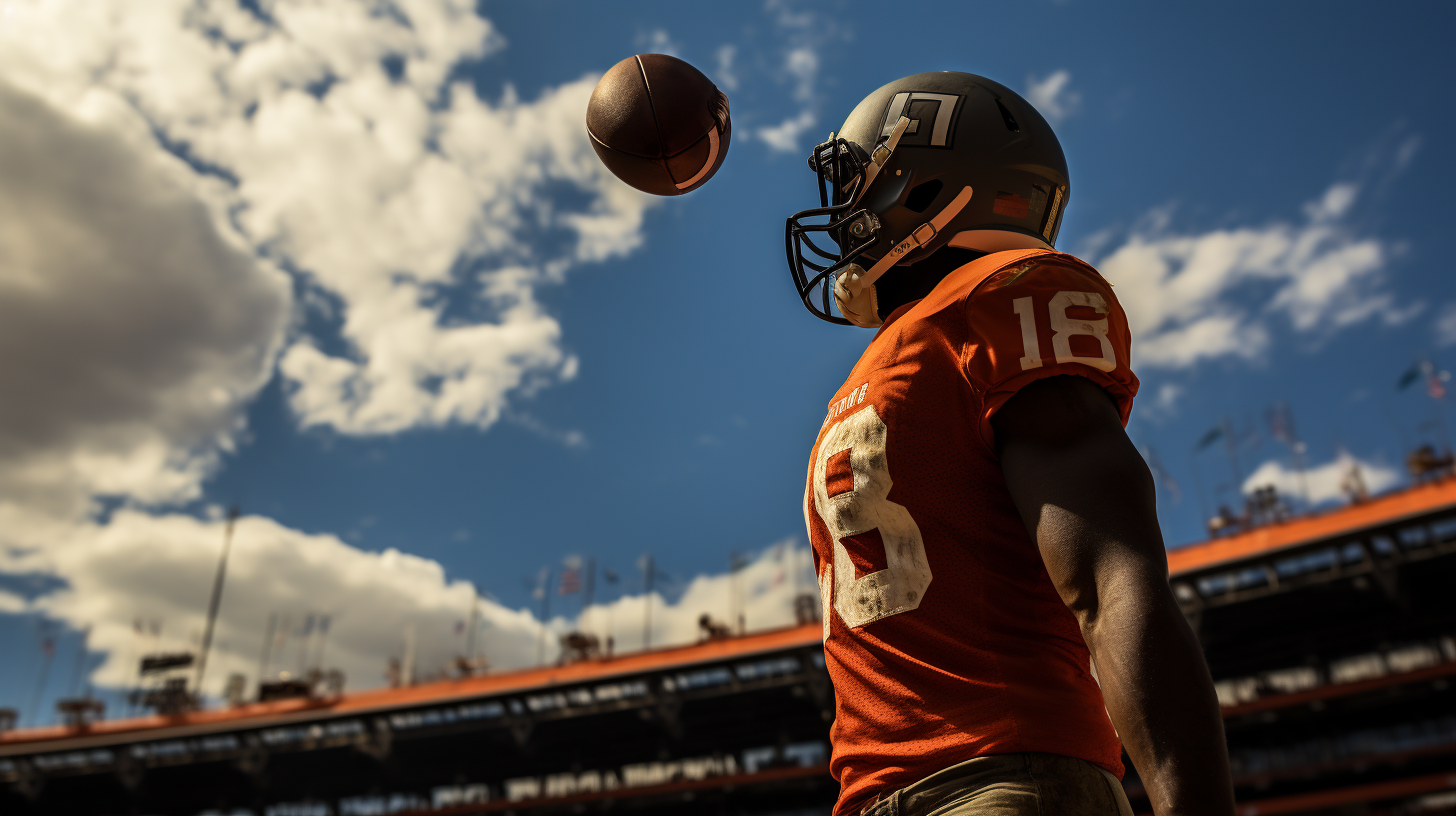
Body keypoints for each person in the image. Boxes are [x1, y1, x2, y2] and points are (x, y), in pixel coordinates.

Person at [787, 72, 1236, 816]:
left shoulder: (1007, 290)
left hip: (999, 777)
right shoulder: (901, 347)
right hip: (879, 793)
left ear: (925, 180)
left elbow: (1109, 579)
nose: (840, 213)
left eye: (855, 182)